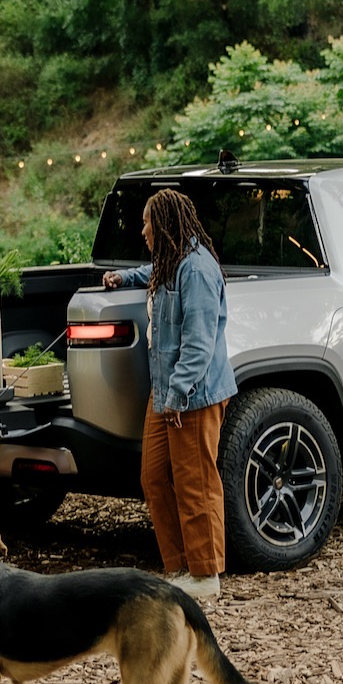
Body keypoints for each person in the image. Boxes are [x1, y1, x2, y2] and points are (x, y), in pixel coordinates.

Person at [102, 188, 237, 599]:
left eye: (146, 222)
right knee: (155, 477)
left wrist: (178, 396)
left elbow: (199, 344)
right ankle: (180, 567)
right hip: (166, 391)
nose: (142, 230)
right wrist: (124, 277)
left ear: (163, 225)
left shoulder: (196, 269)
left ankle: (206, 574)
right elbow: (152, 272)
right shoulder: (171, 261)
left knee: (195, 481)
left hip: (191, 395)